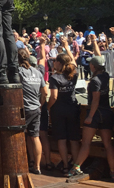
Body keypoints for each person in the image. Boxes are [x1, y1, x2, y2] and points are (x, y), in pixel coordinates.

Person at [68, 35, 114, 179]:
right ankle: (113, 171)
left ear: (93, 66)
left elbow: (95, 100)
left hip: (96, 114)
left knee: (86, 143)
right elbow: (99, 57)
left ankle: (76, 167)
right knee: (107, 144)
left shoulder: (94, 81)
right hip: (107, 112)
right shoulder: (106, 76)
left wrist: (90, 116)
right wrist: (94, 42)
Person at [48, 39, 80, 174]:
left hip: (59, 110)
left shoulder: (54, 78)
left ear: (59, 63)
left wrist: (47, 107)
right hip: (72, 108)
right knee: (73, 139)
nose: (53, 62)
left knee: (61, 138)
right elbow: (73, 63)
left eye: (55, 61)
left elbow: (54, 96)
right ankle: (76, 166)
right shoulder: (74, 74)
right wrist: (67, 47)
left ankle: (65, 165)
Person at [17, 49, 47, 175]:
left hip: (23, 109)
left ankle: (21, 163)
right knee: (35, 136)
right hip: (36, 108)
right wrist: (40, 104)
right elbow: (45, 92)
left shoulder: (18, 72)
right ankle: (37, 166)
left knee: (19, 136)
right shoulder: (37, 72)